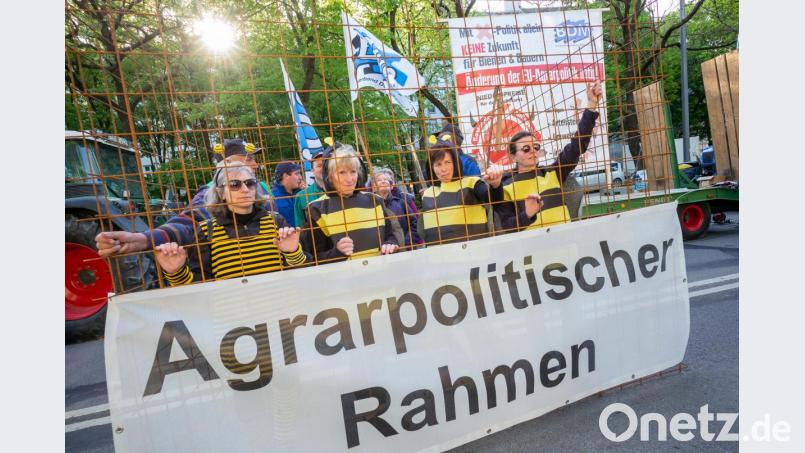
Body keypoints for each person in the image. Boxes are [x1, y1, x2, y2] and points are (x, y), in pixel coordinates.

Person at [94, 138, 270, 256]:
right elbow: (187, 224)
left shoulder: (260, 186)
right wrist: (145, 239)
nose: (255, 163)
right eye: (248, 159)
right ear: (226, 164)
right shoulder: (209, 194)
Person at [154, 160, 309, 286]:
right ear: (221, 193)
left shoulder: (276, 220)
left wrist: (293, 253)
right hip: (234, 318)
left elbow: (300, 273)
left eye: (250, 183)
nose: (245, 189)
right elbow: (200, 287)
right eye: (235, 184)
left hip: (282, 313)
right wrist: (176, 272)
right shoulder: (207, 230)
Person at [496, 81, 602, 231]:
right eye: (526, 149)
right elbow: (507, 226)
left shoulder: (553, 172)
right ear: (513, 157)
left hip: (567, 245)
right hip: (532, 251)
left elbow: (577, 146)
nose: (533, 151)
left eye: (536, 147)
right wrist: (527, 214)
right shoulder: (505, 187)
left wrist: (591, 104)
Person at [302, 143, 401, 263]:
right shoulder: (316, 209)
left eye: (353, 172)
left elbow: (391, 236)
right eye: (341, 173)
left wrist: (391, 244)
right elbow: (313, 257)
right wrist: (337, 253)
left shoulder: (375, 201)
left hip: (380, 274)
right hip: (342, 279)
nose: (349, 179)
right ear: (330, 176)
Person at [417, 138, 522, 245]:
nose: (443, 169)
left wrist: (495, 184)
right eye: (438, 164)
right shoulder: (427, 193)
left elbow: (494, 199)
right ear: (432, 168)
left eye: (447, 162)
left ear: (456, 163)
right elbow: (422, 231)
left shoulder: (472, 183)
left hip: (475, 255)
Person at [370, 167, 423, 250]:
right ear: (373, 187)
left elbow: (414, 224)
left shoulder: (401, 203)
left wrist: (407, 243)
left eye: (386, 180)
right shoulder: (369, 207)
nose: (383, 181)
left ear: (391, 186)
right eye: (379, 180)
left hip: (406, 250)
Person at [293, 148, 326, 228]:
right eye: (319, 165)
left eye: (326, 164)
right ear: (312, 170)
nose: (323, 168)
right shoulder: (301, 197)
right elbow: (300, 228)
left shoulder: (341, 191)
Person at [271, 161, 304, 227]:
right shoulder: (272, 196)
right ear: (286, 176)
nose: (300, 177)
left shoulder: (301, 193)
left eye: (300, 174)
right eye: (297, 174)